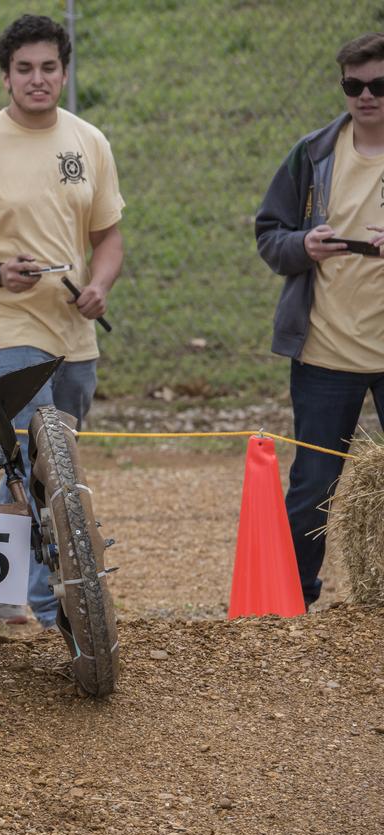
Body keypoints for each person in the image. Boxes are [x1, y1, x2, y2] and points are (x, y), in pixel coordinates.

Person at [0, 13, 125, 628]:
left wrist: (99, 285)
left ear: (64, 73)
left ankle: (5, 584)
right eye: (24, 69)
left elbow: (109, 235)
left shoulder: (89, 142)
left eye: (49, 68)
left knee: (56, 462)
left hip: (74, 333)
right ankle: (50, 601)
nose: (38, 79)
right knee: (25, 456)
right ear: (6, 77)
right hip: (5, 329)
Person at [256, 32, 384, 609]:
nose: (366, 96)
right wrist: (302, 245)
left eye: (379, 85)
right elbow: (268, 234)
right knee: (312, 487)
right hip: (324, 355)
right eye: (353, 86)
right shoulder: (312, 152)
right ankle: (292, 599)